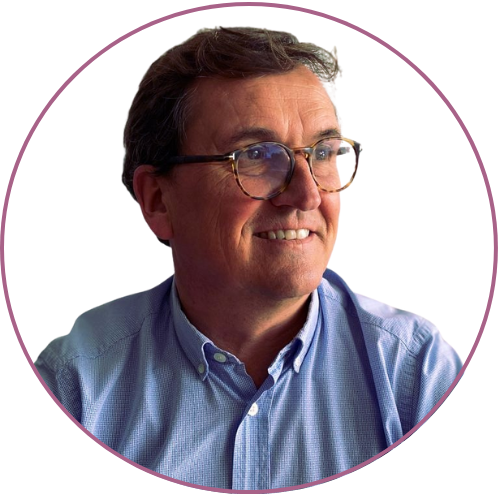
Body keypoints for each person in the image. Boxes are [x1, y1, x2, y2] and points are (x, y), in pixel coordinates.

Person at [34, 27, 462, 490]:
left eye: (322, 152)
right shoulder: (75, 388)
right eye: (257, 155)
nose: (308, 194)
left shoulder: (416, 375)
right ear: (158, 200)